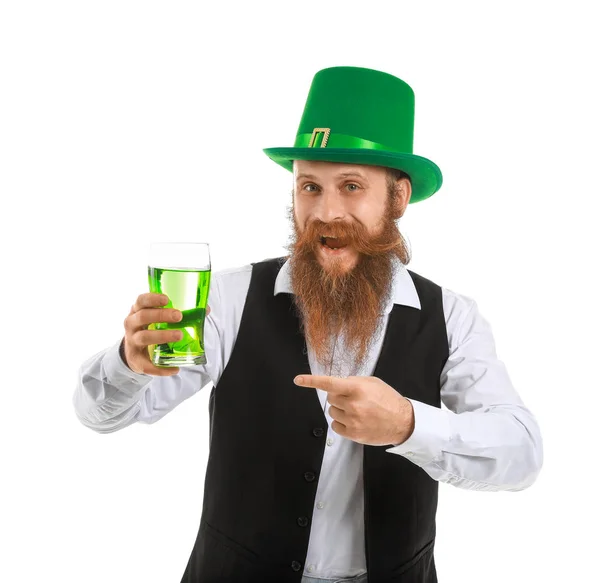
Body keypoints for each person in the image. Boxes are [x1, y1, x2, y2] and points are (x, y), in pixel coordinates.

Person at [73, 66, 543, 583]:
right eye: (310, 186)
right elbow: (103, 416)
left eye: (351, 186)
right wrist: (129, 362)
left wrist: (410, 425)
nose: (326, 211)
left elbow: (521, 453)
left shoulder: (451, 317)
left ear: (398, 198)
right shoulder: (229, 299)